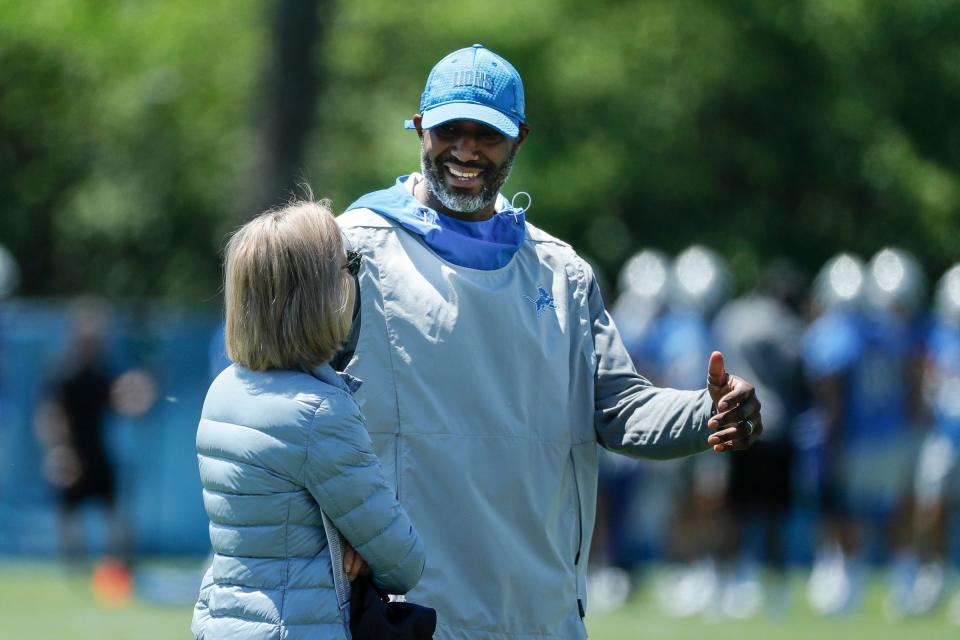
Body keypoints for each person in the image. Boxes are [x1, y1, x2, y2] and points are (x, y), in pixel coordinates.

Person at [334, 44, 762, 639]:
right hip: (406, 609)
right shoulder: (349, 250)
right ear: (419, 128)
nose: (465, 149)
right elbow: (292, 407)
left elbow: (619, 407)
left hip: (539, 609)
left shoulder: (562, 272)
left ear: (520, 139)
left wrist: (704, 412)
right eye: (448, 129)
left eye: (485, 133)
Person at [191, 200, 425, 639]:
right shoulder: (319, 411)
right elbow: (402, 561)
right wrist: (358, 544)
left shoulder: (224, 388)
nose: (355, 278)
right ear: (318, 294)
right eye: (348, 264)